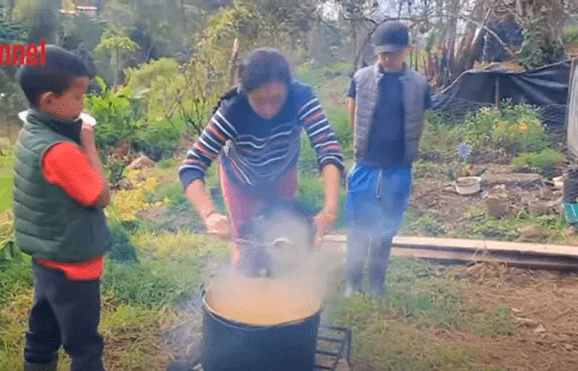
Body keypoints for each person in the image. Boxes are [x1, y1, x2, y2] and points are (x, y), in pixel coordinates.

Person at [178, 48, 344, 273]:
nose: (269, 110)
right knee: (247, 248)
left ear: (288, 87)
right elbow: (192, 165)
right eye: (259, 101)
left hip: (282, 176)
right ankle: (245, 298)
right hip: (240, 181)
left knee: (284, 242)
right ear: (246, 93)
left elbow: (327, 148)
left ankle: (283, 297)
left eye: (276, 99)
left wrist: (330, 210)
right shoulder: (232, 111)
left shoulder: (301, 97)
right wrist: (210, 214)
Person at [14, 45, 111, 371]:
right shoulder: (61, 151)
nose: (83, 105)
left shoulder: (31, 132)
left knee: (43, 334)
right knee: (85, 348)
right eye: (78, 96)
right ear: (49, 101)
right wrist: (88, 143)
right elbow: (100, 195)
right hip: (74, 267)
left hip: (46, 259)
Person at [345, 21, 432, 297]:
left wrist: (409, 151)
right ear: (376, 51)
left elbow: (422, 120)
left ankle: (377, 283)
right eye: (383, 53)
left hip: (398, 168)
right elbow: (353, 113)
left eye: (393, 53)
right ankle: (353, 282)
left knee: (386, 228)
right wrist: (361, 149)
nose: (387, 58)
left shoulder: (419, 84)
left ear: (407, 49)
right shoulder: (361, 79)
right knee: (358, 227)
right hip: (366, 166)